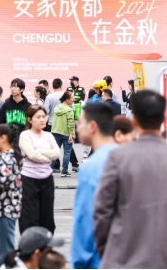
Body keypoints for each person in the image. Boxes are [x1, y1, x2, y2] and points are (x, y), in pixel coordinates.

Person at [93, 89, 167, 268]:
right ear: (163, 119)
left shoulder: (117, 159)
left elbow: (102, 212)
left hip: (123, 260)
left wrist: (110, 252)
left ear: (134, 121)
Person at [71, 102, 116, 269]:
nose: (77, 128)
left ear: (92, 126)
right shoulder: (127, 157)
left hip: (98, 259)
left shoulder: (91, 166)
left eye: (80, 123)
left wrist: (79, 262)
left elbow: (85, 219)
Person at [18, 105, 59, 234]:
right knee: (30, 216)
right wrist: (47, 158)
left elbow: (57, 153)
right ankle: (30, 243)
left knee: (47, 216)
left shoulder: (48, 135)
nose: (42, 119)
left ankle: (45, 242)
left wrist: (39, 151)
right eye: (38, 117)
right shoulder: (25, 135)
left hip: (47, 179)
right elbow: (32, 155)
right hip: (28, 179)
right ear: (29, 119)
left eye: (44, 116)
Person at [0, 124, 23, 268]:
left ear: (2, 138)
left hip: (4, 210)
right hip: (0, 210)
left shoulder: (8, 159)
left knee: (4, 250)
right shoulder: (6, 157)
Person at [50, 91, 75, 177]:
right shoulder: (69, 110)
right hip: (66, 133)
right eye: (71, 98)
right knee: (67, 153)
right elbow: (71, 124)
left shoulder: (56, 108)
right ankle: (64, 171)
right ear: (67, 99)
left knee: (55, 152)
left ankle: (49, 169)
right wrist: (71, 136)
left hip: (56, 132)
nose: (73, 100)